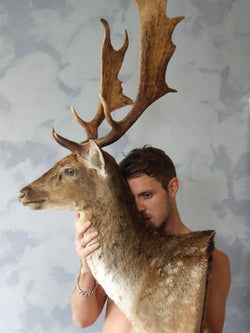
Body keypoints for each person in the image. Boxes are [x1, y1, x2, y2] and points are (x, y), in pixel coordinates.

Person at [70, 146, 231, 333]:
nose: (138, 207)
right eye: (130, 199)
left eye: (146, 195)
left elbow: (211, 330)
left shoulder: (208, 258)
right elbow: (83, 319)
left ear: (172, 188)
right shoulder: (120, 248)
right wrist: (86, 268)